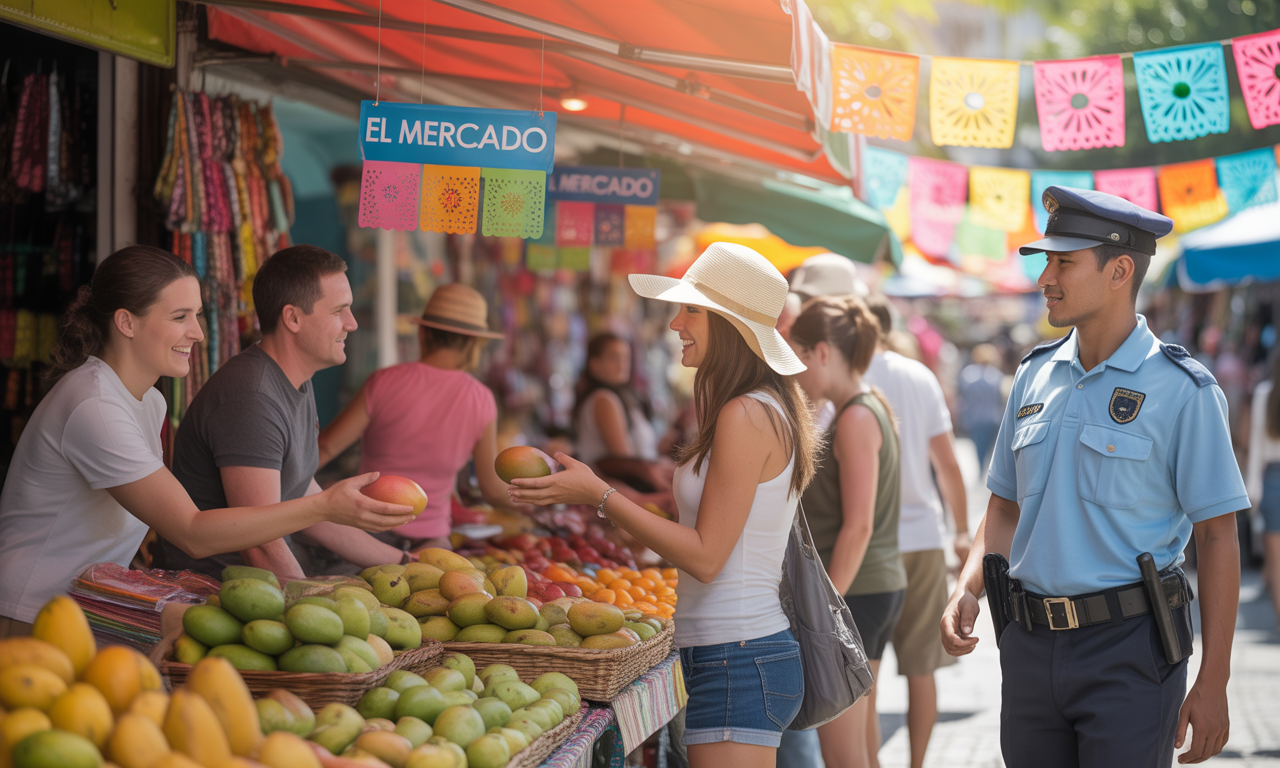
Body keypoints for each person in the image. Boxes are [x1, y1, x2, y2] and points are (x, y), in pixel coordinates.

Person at [941, 187, 1246, 767]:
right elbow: (1003, 508)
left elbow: (1217, 535)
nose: (1044, 278)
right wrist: (967, 587)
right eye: (1046, 261)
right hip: (1028, 646)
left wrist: (1215, 679)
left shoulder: (1185, 390)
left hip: (1130, 650)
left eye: (1064, 262)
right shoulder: (1032, 376)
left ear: (1120, 270)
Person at [508, 242, 817, 768]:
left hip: (738, 656)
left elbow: (704, 555)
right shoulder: (748, 407)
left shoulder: (746, 413)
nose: (676, 322)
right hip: (725, 651)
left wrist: (601, 495)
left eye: (692, 308)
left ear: (729, 323)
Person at [0, 246, 413, 635]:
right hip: (31, 611)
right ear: (126, 323)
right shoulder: (95, 406)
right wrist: (326, 508)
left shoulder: (150, 403)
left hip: (87, 607)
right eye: (180, 316)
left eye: (197, 315)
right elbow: (192, 531)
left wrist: (399, 559)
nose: (197, 333)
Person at [153, 245, 412, 581]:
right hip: (215, 593)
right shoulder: (252, 397)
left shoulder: (295, 378)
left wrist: (408, 564)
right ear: (292, 318)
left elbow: (307, 501)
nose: (352, 323)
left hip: (264, 585)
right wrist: (312, 607)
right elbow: (261, 544)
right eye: (339, 311)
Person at [789, 296, 906, 768]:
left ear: (821, 351)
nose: (794, 370)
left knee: (842, 755)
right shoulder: (863, 405)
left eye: (797, 355)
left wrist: (825, 614)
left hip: (856, 591)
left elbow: (858, 526)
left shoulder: (857, 416)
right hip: (868, 587)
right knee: (857, 744)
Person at [318, 283, 513, 552]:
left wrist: (282, 499)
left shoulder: (384, 381)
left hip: (366, 538)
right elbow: (492, 490)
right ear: (473, 342)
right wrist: (542, 501)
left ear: (422, 333)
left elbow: (326, 446)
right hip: (432, 547)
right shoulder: (482, 399)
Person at [864, 293, 969, 768]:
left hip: (867, 541)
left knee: (865, 672)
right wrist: (962, 530)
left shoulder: (848, 376)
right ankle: (917, 765)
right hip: (924, 537)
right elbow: (947, 465)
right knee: (923, 670)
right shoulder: (918, 375)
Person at [574, 332, 673, 496]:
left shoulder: (619, 397)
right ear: (595, 364)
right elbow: (624, 461)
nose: (622, 364)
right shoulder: (604, 400)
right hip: (617, 496)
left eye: (626, 358)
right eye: (614, 357)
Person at [1246, 350, 1280, 634]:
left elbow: (1256, 446)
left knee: (1276, 564)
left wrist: (1253, 489)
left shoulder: (1264, 394)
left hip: (1272, 480)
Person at [957, 343, 1006, 472]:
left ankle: (982, 471)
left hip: (975, 417)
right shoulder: (996, 375)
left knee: (979, 447)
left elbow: (963, 396)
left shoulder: (968, 374)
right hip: (993, 417)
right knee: (993, 449)